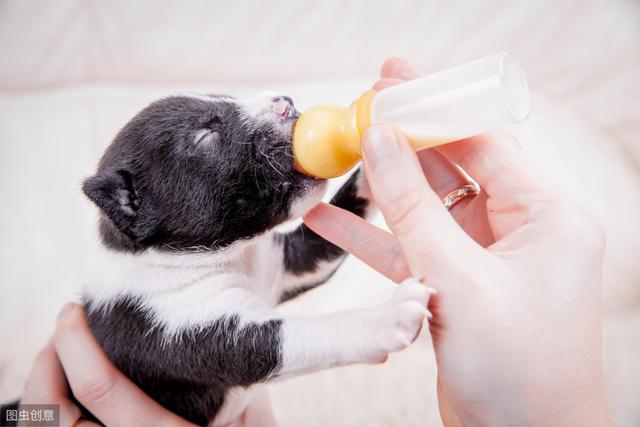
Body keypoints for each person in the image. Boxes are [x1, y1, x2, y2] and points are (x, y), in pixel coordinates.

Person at [14, 59, 612, 427]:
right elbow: (253, 350)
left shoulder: (224, 255)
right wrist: (370, 330)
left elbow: (304, 259)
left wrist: (367, 185)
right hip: (51, 411)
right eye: (205, 135)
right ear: (130, 207)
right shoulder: (151, 305)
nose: (278, 107)